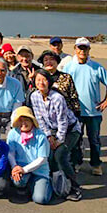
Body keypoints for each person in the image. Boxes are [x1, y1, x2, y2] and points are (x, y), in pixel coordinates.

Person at [63, 37, 107, 176]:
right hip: (75, 111)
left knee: (94, 140)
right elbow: (63, 86)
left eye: (85, 48)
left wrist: (106, 101)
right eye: (80, 47)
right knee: (76, 140)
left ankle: (96, 164)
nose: (82, 50)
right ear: (75, 49)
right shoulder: (69, 67)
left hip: (94, 112)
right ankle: (76, 163)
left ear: (89, 50)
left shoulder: (97, 67)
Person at [30, 69, 83, 201]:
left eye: (44, 79)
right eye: (38, 80)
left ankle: (75, 188)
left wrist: (59, 140)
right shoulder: (34, 96)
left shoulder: (57, 98)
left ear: (49, 81)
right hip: (51, 129)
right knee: (50, 155)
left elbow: (63, 120)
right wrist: (48, 136)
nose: (41, 83)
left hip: (71, 130)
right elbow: (40, 119)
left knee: (60, 155)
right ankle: (56, 185)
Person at [7, 107, 53, 205]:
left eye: (26, 120)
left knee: (41, 199)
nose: (23, 123)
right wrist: (14, 166)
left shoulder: (41, 136)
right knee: (18, 182)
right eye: (21, 120)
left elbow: (42, 159)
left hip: (39, 170)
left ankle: (46, 184)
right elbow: (10, 153)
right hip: (20, 168)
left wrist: (24, 170)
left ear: (32, 121)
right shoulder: (13, 133)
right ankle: (27, 185)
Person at [38, 50, 81, 119]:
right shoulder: (39, 78)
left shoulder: (66, 77)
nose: (49, 62)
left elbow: (74, 97)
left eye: (52, 59)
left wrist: (76, 115)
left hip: (65, 116)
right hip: (45, 117)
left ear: (57, 62)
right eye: (46, 60)